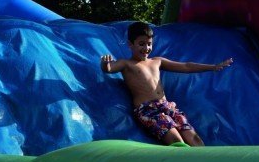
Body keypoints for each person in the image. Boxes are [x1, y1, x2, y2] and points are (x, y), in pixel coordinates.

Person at [100, 21, 233, 146]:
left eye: (149, 43)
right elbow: (110, 69)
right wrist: (105, 64)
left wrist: (213, 67)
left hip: (168, 107)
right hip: (148, 110)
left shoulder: (157, 61)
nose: (146, 48)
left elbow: (186, 66)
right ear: (130, 44)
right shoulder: (127, 63)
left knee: (195, 139)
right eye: (141, 44)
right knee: (176, 139)